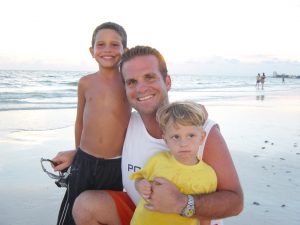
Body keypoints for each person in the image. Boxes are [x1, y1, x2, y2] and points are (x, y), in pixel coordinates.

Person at [56, 46, 243, 225]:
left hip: (189, 220)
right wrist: (77, 153)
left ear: (167, 82)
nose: (141, 88)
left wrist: (182, 203)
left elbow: (236, 202)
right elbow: (103, 145)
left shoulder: (201, 132)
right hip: (143, 215)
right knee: (85, 206)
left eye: (149, 77)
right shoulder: (128, 124)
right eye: (132, 82)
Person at [52, 22, 131, 225]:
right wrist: (77, 152)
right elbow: (80, 121)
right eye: (101, 44)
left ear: (125, 50)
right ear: (92, 51)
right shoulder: (85, 82)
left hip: (116, 164)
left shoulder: (129, 83)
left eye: (115, 44)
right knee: (72, 213)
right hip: (84, 162)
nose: (107, 50)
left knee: (101, 214)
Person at [130, 101, 217, 225]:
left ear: (202, 138)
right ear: (166, 140)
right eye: (176, 137)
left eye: (191, 135)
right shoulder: (158, 160)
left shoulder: (209, 175)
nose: (183, 143)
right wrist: (140, 186)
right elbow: (139, 178)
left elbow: (206, 214)